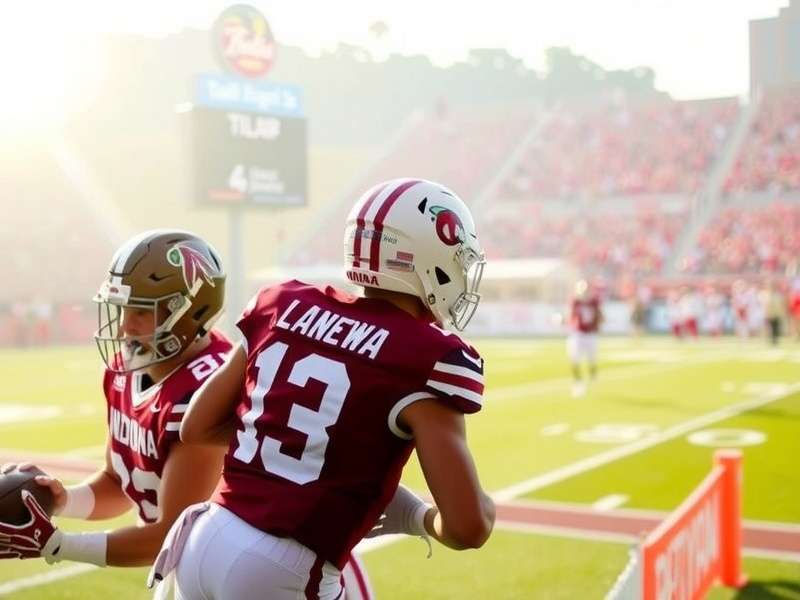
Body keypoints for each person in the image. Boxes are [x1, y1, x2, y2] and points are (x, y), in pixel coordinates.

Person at [151, 178, 495, 600]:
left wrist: (311, 455)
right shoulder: (425, 355)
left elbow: (197, 426)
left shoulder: (282, 303)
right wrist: (418, 517)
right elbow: (466, 528)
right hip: (280, 567)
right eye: (457, 261)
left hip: (206, 537)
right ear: (426, 260)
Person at [0, 229, 374, 599]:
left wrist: (59, 545)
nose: (126, 325)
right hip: (200, 560)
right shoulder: (121, 372)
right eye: (123, 309)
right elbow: (121, 483)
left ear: (187, 312)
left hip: (275, 569)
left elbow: (170, 531)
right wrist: (65, 500)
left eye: (141, 311)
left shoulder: (204, 392)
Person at [567, 279, 602, 397]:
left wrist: (598, 324)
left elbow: (599, 314)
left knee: (592, 358)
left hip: (590, 333)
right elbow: (571, 316)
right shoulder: (575, 301)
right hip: (578, 333)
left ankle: (592, 372)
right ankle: (578, 382)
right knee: (574, 358)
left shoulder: (594, 301)